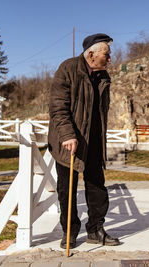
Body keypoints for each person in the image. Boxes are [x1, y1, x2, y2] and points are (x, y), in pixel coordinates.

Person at [48, 33, 120, 249]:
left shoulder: (103, 76)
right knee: (67, 189)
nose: (110, 58)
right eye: (106, 54)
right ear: (91, 54)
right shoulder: (68, 69)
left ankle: (96, 230)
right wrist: (68, 135)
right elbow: (58, 107)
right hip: (68, 141)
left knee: (97, 186)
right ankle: (69, 232)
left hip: (94, 141)